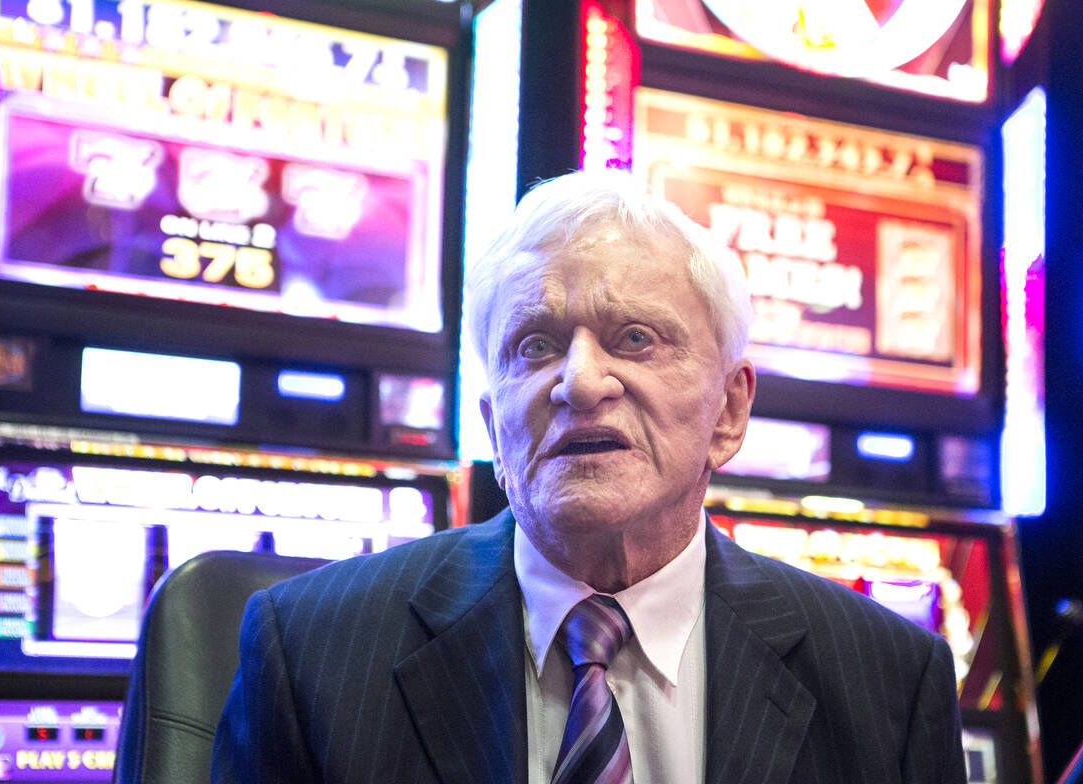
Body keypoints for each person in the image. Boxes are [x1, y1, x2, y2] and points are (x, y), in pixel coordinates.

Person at [212, 169, 966, 783]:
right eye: (534, 346)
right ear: (491, 426)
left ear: (730, 411)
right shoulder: (308, 652)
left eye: (634, 339)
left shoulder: (889, 680)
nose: (579, 381)